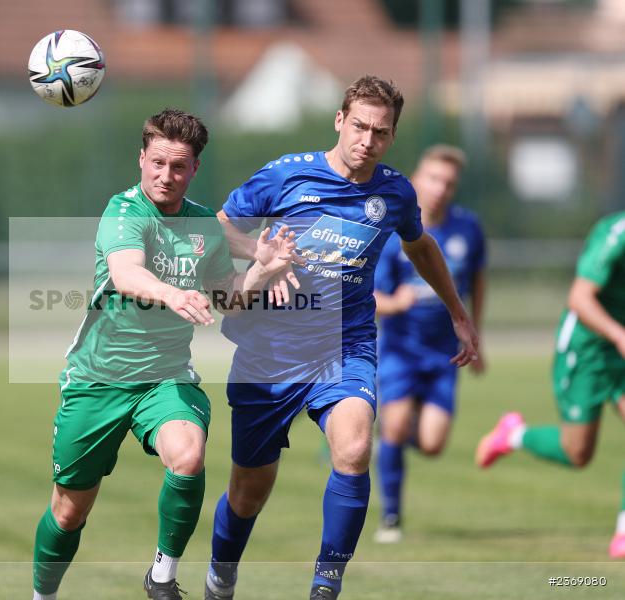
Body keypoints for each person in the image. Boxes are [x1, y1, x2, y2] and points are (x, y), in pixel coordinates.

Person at [204, 76, 480, 600]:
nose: (367, 141)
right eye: (359, 127)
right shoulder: (285, 176)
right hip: (270, 352)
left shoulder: (395, 192)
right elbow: (219, 226)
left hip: (345, 346)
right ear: (339, 120)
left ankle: (325, 586)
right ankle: (221, 573)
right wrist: (260, 256)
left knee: (354, 449)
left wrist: (458, 313)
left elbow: (421, 247)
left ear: (392, 135)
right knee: (249, 491)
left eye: (380, 132)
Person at [30, 108, 296, 600]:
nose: (165, 176)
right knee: (69, 511)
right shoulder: (124, 211)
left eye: (178, 166)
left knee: (189, 455)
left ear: (194, 169)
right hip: (98, 379)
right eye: (157, 163)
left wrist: (262, 269)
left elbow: (229, 298)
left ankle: (161, 577)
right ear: (141, 159)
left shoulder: (203, 225)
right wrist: (173, 293)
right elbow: (128, 272)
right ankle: (42, 595)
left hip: (165, 379)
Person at [476, 211, 625, 559]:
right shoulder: (615, 234)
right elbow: (580, 298)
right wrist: (619, 335)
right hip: (586, 347)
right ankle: (512, 434)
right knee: (578, 453)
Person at [372, 144, 487, 543]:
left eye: (448, 182)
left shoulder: (468, 228)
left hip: (444, 354)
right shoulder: (396, 230)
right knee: (395, 427)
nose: (440, 188)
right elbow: (369, 298)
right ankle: (391, 517)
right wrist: (395, 302)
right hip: (400, 350)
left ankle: (394, 429)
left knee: (433, 445)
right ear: (418, 179)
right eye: (434, 178)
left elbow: (477, 283)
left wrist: (478, 336)